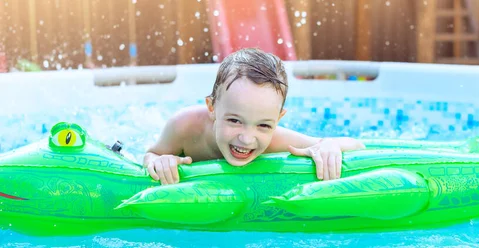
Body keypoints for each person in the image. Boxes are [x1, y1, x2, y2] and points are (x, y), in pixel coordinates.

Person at [144, 47, 365, 185]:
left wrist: (328, 145)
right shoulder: (185, 126)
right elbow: (151, 154)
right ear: (212, 107)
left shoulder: (276, 140)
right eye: (234, 120)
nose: (248, 139)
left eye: (264, 126)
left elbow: (357, 146)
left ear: (278, 120)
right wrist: (160, 160)